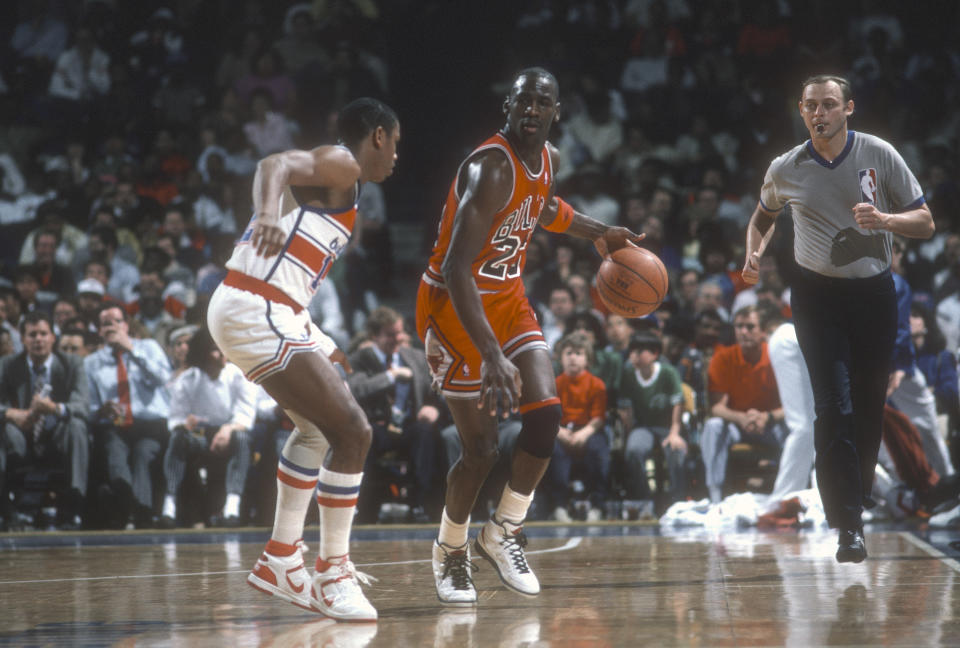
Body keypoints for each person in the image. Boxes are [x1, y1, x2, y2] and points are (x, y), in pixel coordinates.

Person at [415, 67, 643, 605]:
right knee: (481, 451)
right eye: (524, 101)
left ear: (557, 111)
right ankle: (450, 550)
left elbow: (541, 208)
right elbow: (454, 267)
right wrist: (493, 356)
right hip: (454, 306)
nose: (533, 109)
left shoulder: (549, 159)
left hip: (508, 296)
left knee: (545, 415)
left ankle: (503, 532)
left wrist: (599, 233)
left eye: (544, 101)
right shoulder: (491, 167)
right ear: (509, 108)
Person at [207, 97, 399, 621]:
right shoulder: (345, 163)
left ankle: (280, 559)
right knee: (354, 432)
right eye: (396, 144)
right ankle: (333, 569)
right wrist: (267, 210)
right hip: (254, 306)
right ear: (378, 135)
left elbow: (291, 274)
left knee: (316, 432)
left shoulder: (345, 187)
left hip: (266, 307)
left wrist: (317, 336)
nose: (397, 157)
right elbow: (275, 164)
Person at [741, 74, 935, 563]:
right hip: (815, 296)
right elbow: (763, 214)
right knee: (833, 406)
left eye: (829, 104)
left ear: (848, 108)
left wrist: (886, 220)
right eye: (811, 106)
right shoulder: (786, 167)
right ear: (801, 111)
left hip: (873, 294)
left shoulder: (879, 154)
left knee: (870, 409)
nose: (819, 113)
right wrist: (754, 253)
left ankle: (858, 503)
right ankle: (846, 523)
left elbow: (926, 222)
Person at [347, 306, 444, 524]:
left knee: (427, 433)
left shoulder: (416, 357)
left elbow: (437, 390)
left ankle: (422, 504)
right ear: (374, 336)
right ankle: (364, 507)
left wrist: (434, 408)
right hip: (377, 428)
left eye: (399, 332)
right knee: (364, 439)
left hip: (411, 426)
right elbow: (357, 389)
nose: (398, 338)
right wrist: (390, 377)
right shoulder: (360, 358)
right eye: (391, 334)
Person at [85, 303, 172, 529]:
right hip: (116, 425)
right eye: (105, 323)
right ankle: (126, 503)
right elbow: (90, 407)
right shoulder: (91, 363)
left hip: (150, 425)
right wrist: (100, 410)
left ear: (126, 325)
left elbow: (164, 378)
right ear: (99, 331)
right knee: (114, 449)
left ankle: (140, 513)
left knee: (143, 454)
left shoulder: (149, 347)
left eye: (115, 321)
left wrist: (133, 350)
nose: (111, 326)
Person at [0, 311, 89, 530]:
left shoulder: (72, 364)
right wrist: (12, 414)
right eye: (32, 334)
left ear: (53, 337)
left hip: (56, 436)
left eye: (43, 333)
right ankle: (6, 509)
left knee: (77, 425)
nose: (38, 339)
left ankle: (73, 506)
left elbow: (83, 407)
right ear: (22, 339)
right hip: (20, 435)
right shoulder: (7, 365)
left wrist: (55, 408)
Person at [160, 326, 256, 528]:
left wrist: (228, 429)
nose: (222, 354)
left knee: (242, 439)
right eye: (215, 349)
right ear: (203, 353)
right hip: (199, 436)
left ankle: (232, 507)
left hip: (228, 434)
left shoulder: (237, 375)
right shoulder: (187, 380)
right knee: (177, 438)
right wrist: (184, 424)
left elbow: (246, 415)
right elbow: (175, 418)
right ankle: (169, 506)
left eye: (223, 348)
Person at [699, 305, 787, 504]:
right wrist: (741, 418)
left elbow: (794, 406)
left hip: (773, 424)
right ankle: (715, 497)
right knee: (713, 427)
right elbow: (717, 408)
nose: (743, 332)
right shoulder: (722, 357)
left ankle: (791, 494)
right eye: (739, 327)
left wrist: (767, 417)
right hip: (738, 424)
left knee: (798, 428)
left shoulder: (777, 355)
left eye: (750, 327)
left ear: (763, 331)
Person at [542, 332, 609, 522]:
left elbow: (598, 418)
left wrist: (584, 433)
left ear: (587, 359)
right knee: (554, 453)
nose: (573, 357)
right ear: (560, 358)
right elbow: (548, 415)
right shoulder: (554, 384)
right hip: (560, 430)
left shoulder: (597, 385)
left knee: (599, 451)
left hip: (589, 429)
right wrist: (560, 432)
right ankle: (559, 506)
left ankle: (597, 505)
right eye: (569, 353)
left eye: (579, 353)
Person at [617, 332, 688, 510]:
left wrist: (674, 433)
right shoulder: (628, 374)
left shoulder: (668, 372)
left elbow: (678, 404)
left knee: (676, 450)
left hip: (668, 426)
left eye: (640, 351)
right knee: (634, 450)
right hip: (644, 427)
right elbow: (625, 408)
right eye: (632, 351)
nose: (634, 356)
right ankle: (644, 500)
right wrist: (630, 432)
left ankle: (677, 501)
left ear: (655, 354)